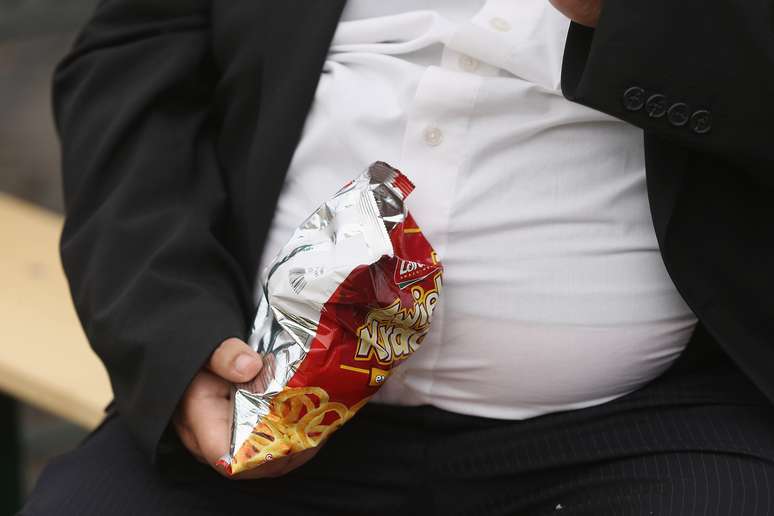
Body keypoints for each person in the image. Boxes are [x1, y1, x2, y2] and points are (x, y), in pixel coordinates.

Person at [21, 0, 774, 514]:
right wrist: (172, 339)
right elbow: (135, 59)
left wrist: (660, 18)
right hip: (260, 389)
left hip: (652, 425)